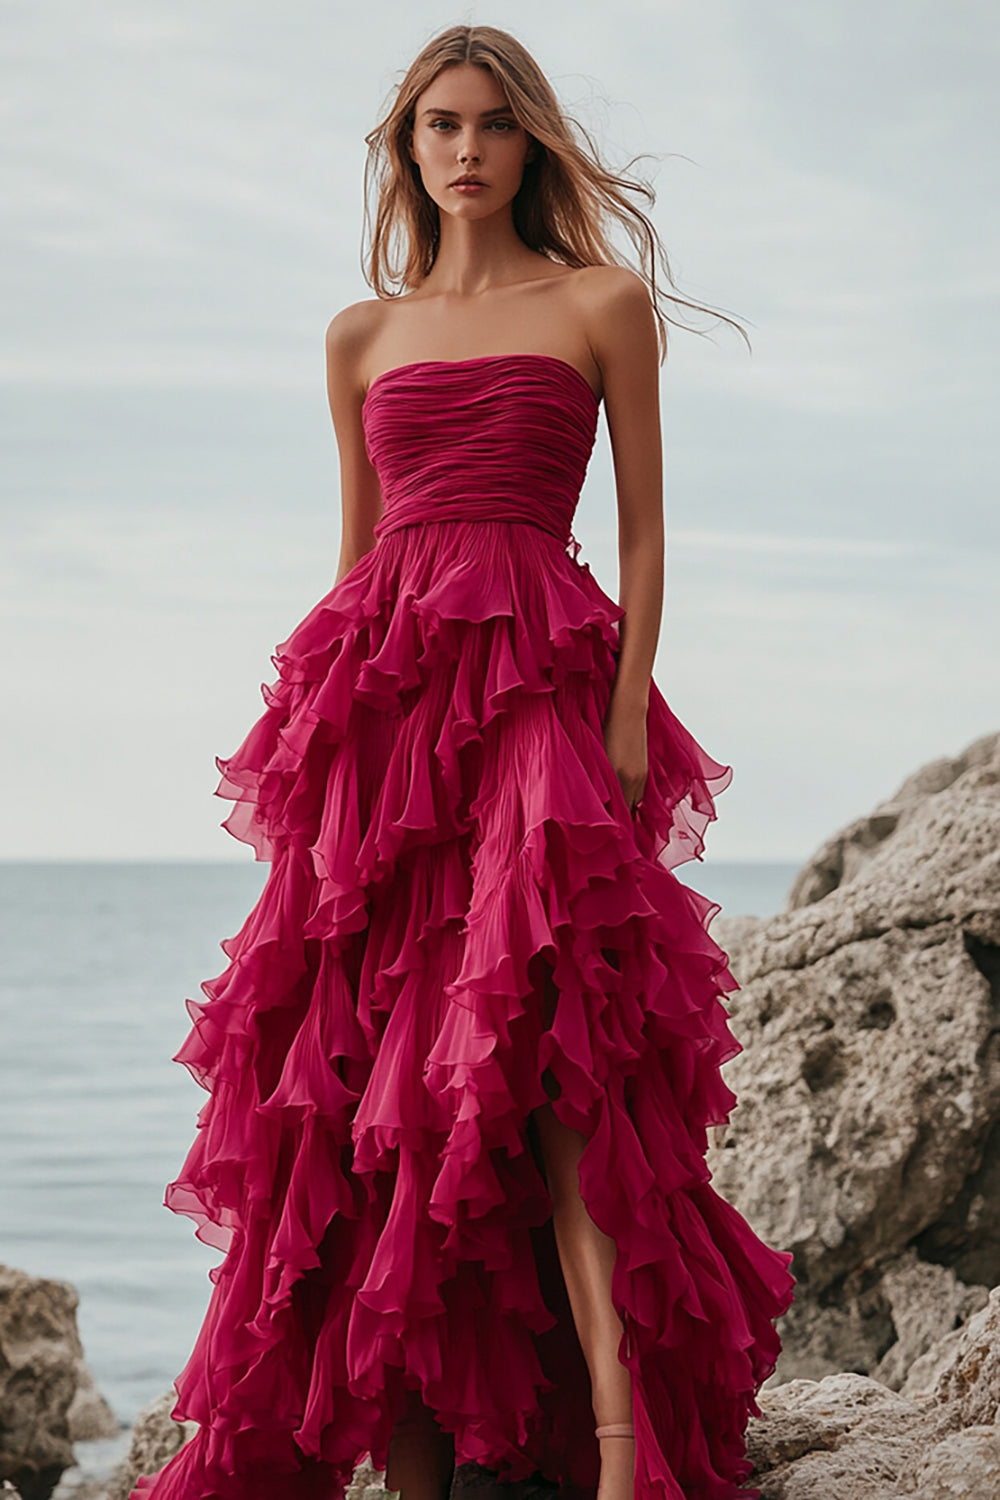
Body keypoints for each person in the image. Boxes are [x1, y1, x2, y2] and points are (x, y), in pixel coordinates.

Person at [130, 23, 795, 1500]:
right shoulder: (357, 334)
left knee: (562, 1079)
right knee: (389, 1088)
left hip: (541, 695)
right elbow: (358, 551)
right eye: (441, 124)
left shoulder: (603, 302)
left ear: (530, 141)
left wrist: (626, 710)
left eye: (495, 124)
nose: (469, 148)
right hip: (381, 713)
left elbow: (640, 531)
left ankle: (626, 1457)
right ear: (409, 148)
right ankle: (410, 1463)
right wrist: (321, 748)